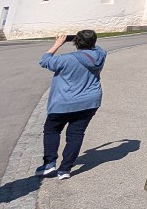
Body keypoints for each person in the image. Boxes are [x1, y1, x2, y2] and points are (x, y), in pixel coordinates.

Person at [36, 30, 107, 180]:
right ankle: (65, 169)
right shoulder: (100, 55)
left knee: (52, 130)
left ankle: (49, 164)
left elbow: (44, 61)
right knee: (76, 134)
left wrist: (58, 44)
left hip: (63, 102)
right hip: (89, 102)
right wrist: (88, 40)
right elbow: (97, 47)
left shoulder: (66, 59)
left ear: (76, 42)